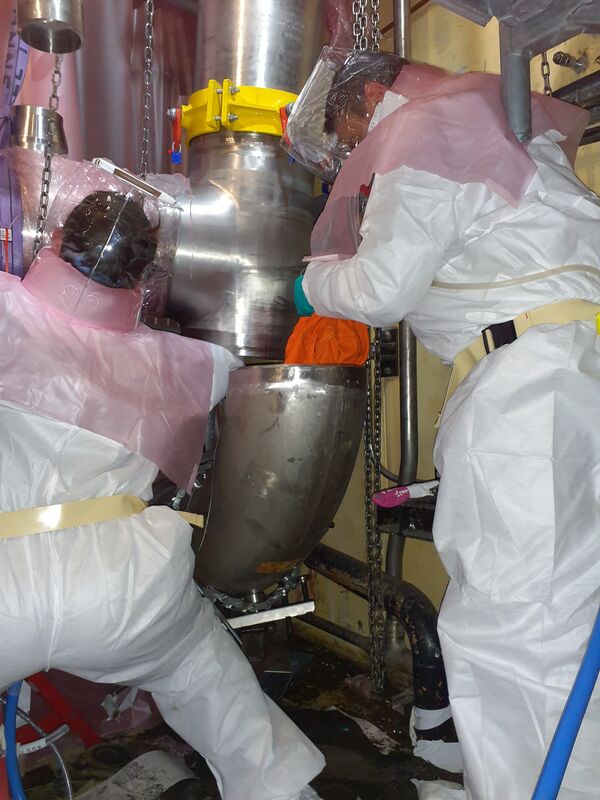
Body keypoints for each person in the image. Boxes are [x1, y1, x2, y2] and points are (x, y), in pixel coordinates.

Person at [290, 49, 600, 799]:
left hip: (528, 393)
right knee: (566, 616)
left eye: (348, 133)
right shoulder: (497, 126)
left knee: (509, 628)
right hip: (572, 372)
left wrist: (309, 283)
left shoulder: (421, 127)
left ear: (372, 95)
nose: (353, 154)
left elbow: (381, 288)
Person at [0, 174, 325, 800]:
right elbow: (241, 368)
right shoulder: (193, 365)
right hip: (124, 588)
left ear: (57, 238)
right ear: (145, 272)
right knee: (207, 679)